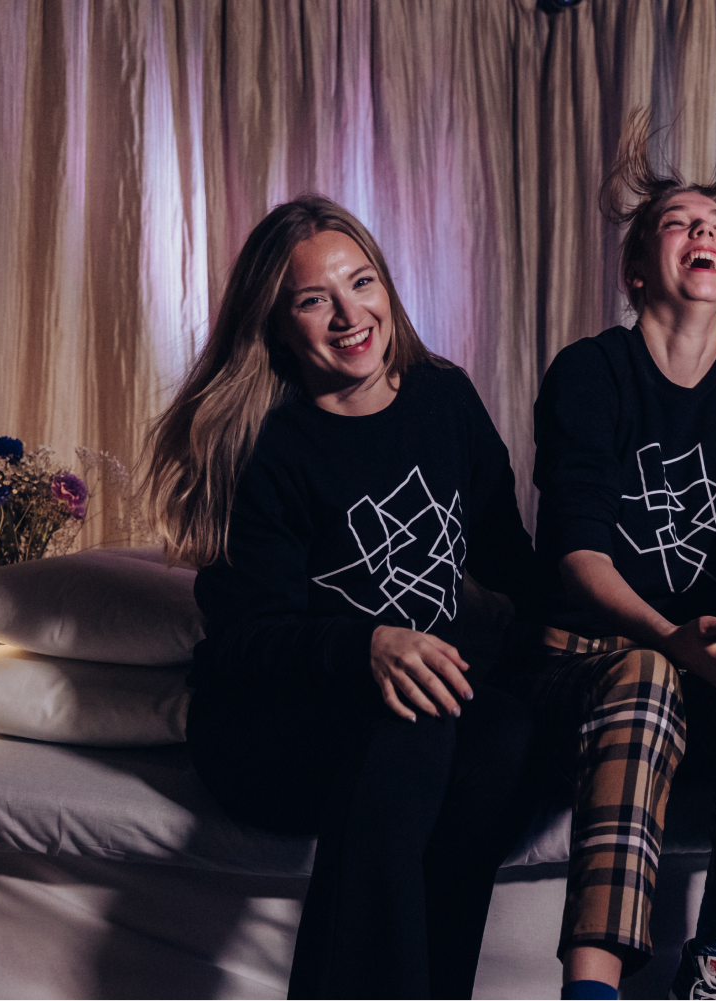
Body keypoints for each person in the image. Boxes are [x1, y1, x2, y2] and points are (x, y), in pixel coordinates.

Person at [144, 195, 539, 1001]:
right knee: (417, 727)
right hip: (271, 722)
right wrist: (365, 644)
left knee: (501, 730)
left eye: (362, 283)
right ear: (277, 324)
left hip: (412, 707)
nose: (350, 316)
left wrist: (645, 626)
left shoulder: (445, 400)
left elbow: (512, 564)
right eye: (313, 300)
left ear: (387, 286)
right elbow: (247, 638)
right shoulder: (260, 441)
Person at [517, 112, 716, 1001]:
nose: (704, 232)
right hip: (589, 661)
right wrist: (672, 639)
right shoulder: (589, 372)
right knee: (648, 675)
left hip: (709, 658)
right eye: (677, 223)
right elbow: (576, 548)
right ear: (635, 271)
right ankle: (590, 990)